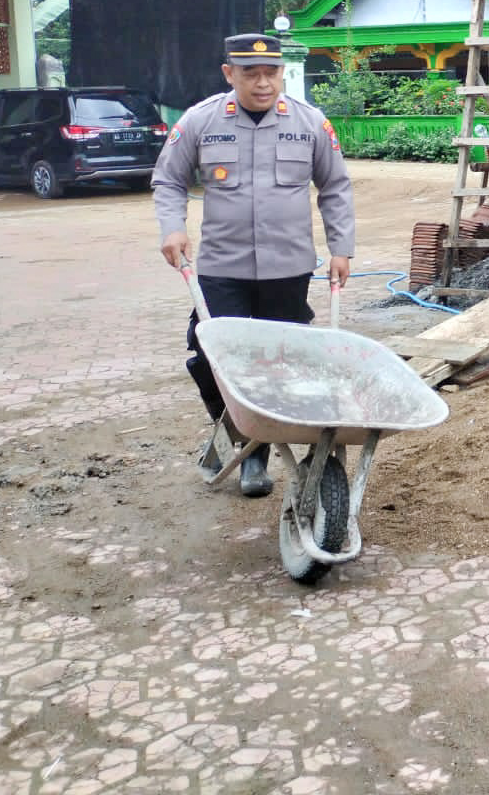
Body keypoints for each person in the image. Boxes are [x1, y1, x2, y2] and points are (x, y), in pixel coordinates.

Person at [152, 34, 355, 498]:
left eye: (272, 72)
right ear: (230, 74)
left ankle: (266, 448)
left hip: (288, 268)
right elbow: (168, 179)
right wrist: (172, 227)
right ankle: (246, 441)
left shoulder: (310, 123)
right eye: (251, 73)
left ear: (283, 72)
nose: (263, 83)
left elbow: (336, 187)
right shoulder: (201, 120)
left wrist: (341, 248)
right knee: (212, 359)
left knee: (282, 363)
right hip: (223, 268)